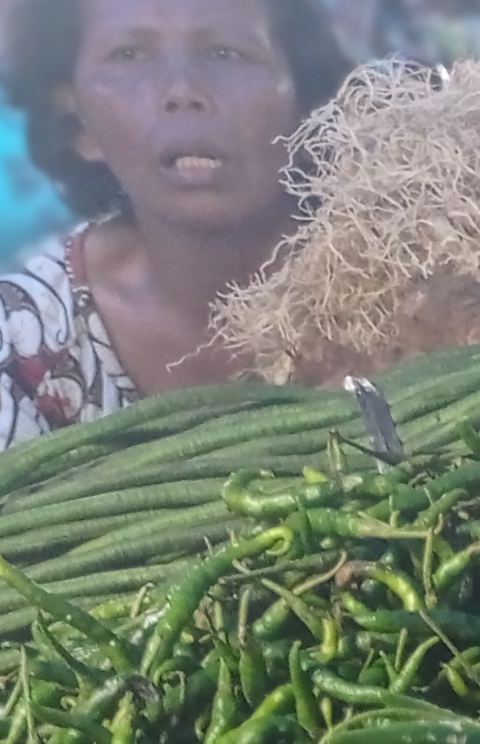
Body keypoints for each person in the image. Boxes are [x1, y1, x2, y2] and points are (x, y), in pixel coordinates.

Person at [0, 0, 349, 442]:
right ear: (77, 123)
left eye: (225, 52)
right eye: (129, 55)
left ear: (305, 101)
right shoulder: (22, 344)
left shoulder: (414, 279)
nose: (183, 90)